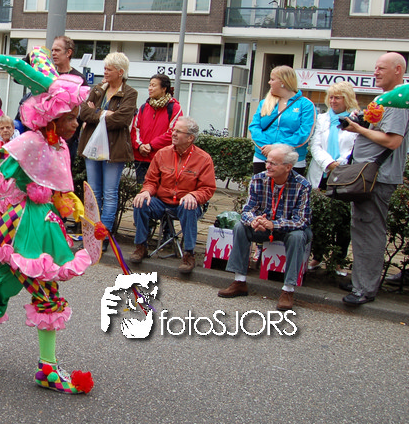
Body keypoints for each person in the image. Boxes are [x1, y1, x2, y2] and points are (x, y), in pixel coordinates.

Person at [0, 47, 96, 394]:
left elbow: (59, 192)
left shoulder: (59, 146)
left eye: (76, 118)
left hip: (44, 224)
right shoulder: (28, 142)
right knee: (48, 294)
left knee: (4, 286)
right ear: (51, 116)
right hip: (22, 227)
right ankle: (48, 369)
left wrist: (80, 213)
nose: (76, 123)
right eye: (70, 117)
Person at [341, 53, 409, 306]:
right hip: (369, 176)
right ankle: (361, 281)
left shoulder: (398, 101)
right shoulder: (387, 99)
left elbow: (393, 141)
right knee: (362, 228)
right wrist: (359, 122)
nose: (375, 72)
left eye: (381, 68)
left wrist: (358, 128)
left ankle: (364, 289)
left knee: (369, 231)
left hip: (377, 177)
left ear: (398, 70)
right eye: (375, 68)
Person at [218, 144, 312, 312]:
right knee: (240, 226)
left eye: (273, 163)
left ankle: (288, 290)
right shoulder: (258, 179)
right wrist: (253, 220)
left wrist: (274, 224)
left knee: (298, 236)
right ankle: (239, 281)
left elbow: (302, 220)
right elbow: (247, 210)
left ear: (288, 167)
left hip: (288, 230)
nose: (267, 166)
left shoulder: (302, 185)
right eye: (267, 162)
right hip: (263, 227)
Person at [130, 117, 216, 273]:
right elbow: (151, 181)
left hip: (185, 204)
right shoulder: (162, 154)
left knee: (189, 206)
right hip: (162, 202)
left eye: (178, 131)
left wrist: (194, 195)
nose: (173, 134)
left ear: (190, 138)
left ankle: (189, 254)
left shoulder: (203, 159)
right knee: (140, 201)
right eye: (173, 130)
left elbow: (207, 188)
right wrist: (146, 191)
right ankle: (141, 246)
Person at [77, 52, 137, 233]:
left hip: (114, 149)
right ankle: (91, 234)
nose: (105, 72)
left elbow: (122, 120)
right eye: (104, 68)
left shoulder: (130, 93)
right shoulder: (98, 89)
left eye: (109, 69)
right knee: (93, 192)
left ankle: (103, 234)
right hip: (92, 147)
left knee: (110, 193)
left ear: (120, 72)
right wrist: (104, 114)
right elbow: (83, 113)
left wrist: (95, 113)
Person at [306, 81, 359, 272]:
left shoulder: (356, 119)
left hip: (344, 174)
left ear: (347, 99)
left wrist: (340, 164)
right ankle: (317, 256)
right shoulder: (321, 119)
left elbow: (356, 147)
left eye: (338, 98)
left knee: (342, 219)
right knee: (318, 216)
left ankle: (338, 260)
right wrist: (328, 163)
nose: (333, 101)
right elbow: (315, 145)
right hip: (322, 171)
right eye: (331, 97)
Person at [248, 65, 316, 175]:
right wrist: (267, 148)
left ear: (283, 82)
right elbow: (254, 127)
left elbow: (304, 133)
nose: (269, 82)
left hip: (292, 160)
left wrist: (276, 148)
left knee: (288, 187)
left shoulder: (306, 105)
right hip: (263, 157)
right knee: (261, 186)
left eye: (272, 79)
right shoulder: (264, 103)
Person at [131, 73, 182, 183]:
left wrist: (151, 146)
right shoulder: (144, 107)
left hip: (162, 159)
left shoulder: (174, 108)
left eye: (153, 85)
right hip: (141, 158)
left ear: (164, 88)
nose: (150, 88)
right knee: (142, 189)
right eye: (149, 85)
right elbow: (135, 129)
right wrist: (140, 146)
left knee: (159, 190)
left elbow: (173, 133)